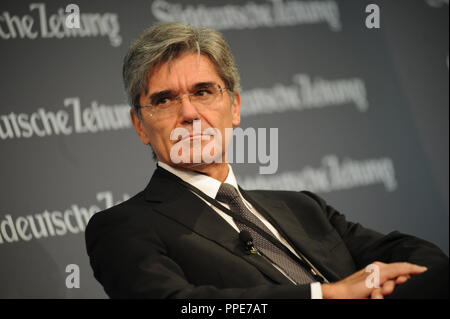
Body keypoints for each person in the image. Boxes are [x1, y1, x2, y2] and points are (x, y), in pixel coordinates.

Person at [85, 22, 448, 299]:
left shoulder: (302, 207)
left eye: (204, 92)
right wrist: (325, 294)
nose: (190, 113)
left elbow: (415, 252)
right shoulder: (122, 228)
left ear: (235, 107)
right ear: (140, 126)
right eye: (164, 100)